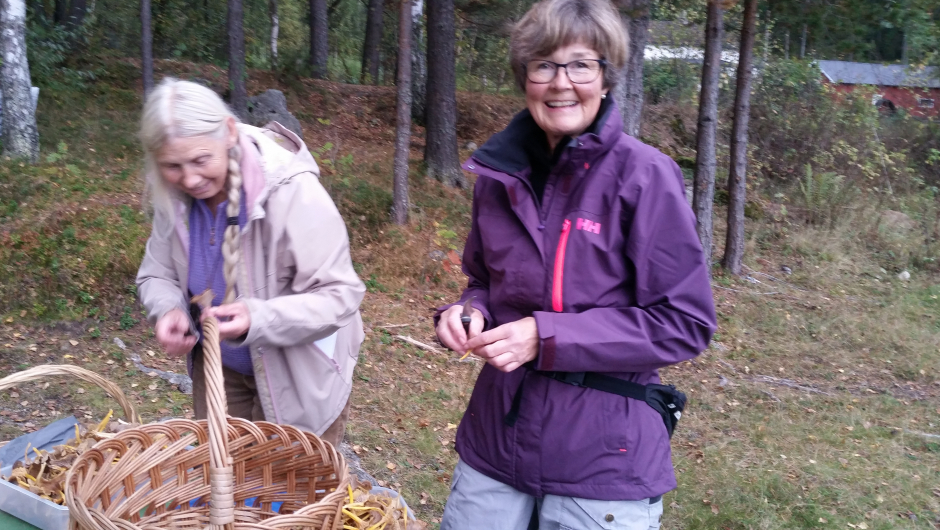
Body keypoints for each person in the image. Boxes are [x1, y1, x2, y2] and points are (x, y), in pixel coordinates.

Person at [434, 0, 717, 528]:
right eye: (543, 65)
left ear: (606, 78)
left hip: (604, 458)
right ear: (525, 78)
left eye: (581, 64)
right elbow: (482, 282)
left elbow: (685, 324)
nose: (561, 82)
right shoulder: (499, 176)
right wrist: (466, 310)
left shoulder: (646, 177)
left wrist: (544, 336)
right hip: (497, 443)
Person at [136, 78, 365, 447]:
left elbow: (341, 296)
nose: (190, 179)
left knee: (288, 497)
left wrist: (256, 319)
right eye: (173, 166)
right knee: (227, 487)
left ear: (228, 132)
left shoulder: (291, 190)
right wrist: (167, 310)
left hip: (300, 378)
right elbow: (156, 273)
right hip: (219, 371)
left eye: (200, 160)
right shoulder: (175, 198)